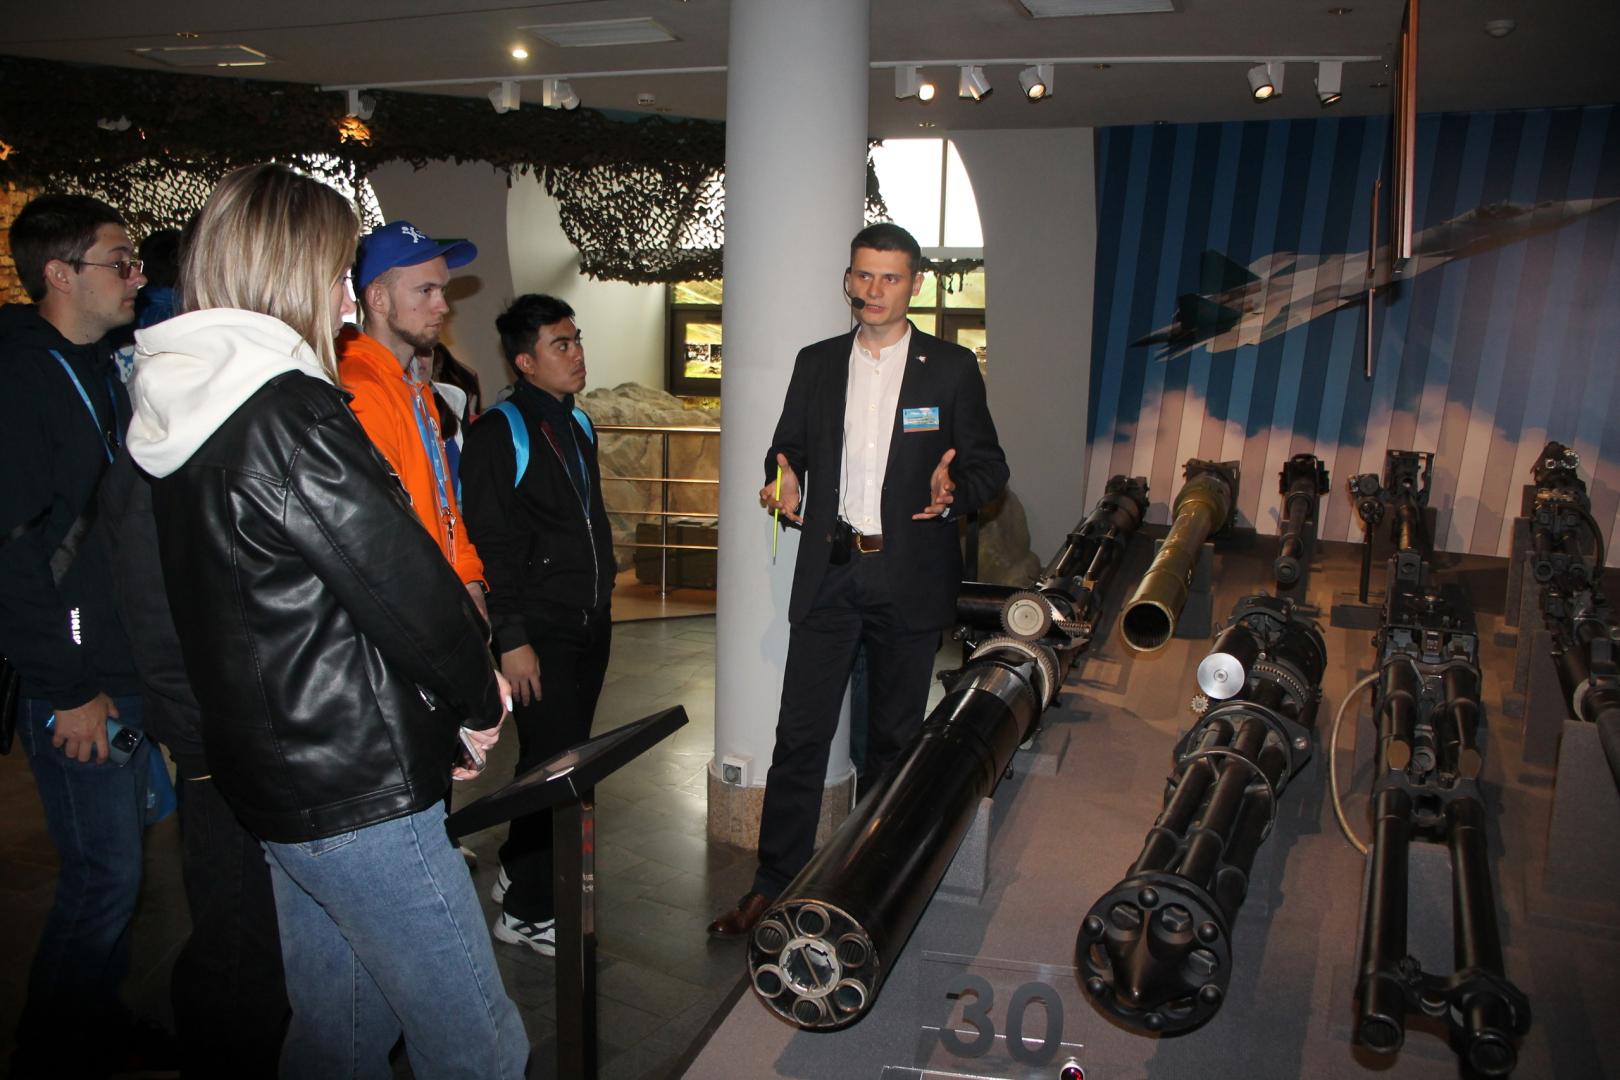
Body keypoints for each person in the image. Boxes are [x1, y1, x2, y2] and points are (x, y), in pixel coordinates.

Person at [127, 162, 527, 1079]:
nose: (345, 293)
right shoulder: (288, 412)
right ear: (292, 268)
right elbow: (399, 586)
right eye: (338, 269)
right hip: (356, 780)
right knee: (479, 1045)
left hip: (272, 774)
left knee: (337, 1032)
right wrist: (476, 699)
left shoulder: (186, 402)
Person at [709, 223, 1009, 936]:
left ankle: (869, 883)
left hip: (909, 575)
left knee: (893, 742)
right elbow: (787, 448)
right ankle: (772, 884)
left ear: (915, 285)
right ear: (848, 279)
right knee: (800, 737)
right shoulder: (817, 363)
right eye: (863, 275)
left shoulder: (950, 368)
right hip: (832, 573)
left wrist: (953, 493)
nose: (873, 290)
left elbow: (989, 468)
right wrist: (783, 476)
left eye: (889, 278)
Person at [0, 193, 174, 1078]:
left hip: (122, 664)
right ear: (59, 275)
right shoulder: (22, 379)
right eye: (120, 261)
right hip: (75, 679)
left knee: (123, 863)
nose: (137, 277)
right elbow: (13, 557)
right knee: (103, 875)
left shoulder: (106, 366)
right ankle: (53, 1048)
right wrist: (66, 690)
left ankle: (94, 1022)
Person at [102, 452, 290, 1074]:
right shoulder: (152, 468)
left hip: (256, 731)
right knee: (234, 929)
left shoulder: (211, 447)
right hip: (215, 741)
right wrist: (199, 742)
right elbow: (155, 623)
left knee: (261, 920)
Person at [460, 294, 615, 955]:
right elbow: (489, 543)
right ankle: (527, 910)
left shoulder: (577, 423)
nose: (576, 354)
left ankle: (517, 870)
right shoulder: (500, 433)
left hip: (589, 619)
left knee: (556, 756)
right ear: (525, 362)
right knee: (555, 766)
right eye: (561, 345)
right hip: (539, 629)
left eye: (576, 340)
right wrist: (513, 638)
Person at [338, 221, 488, 624]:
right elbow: (380, 539)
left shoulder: (414, 389)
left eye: (443, 290)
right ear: (378, 298)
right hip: (411, 615)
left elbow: (444, 503)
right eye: (426, 291)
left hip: (438, 603)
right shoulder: (360, 389)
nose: (443, 306)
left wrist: (469, 581)